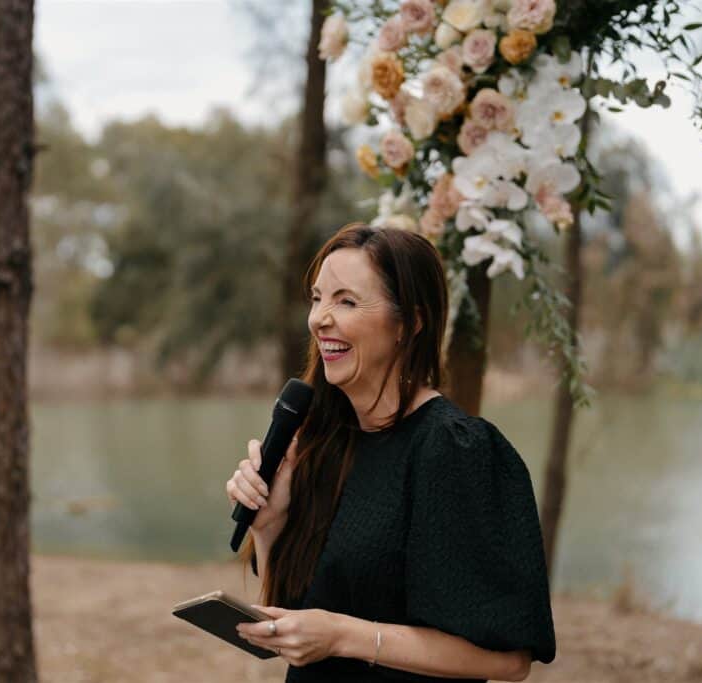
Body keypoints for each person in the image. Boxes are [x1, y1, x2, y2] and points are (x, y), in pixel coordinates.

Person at [224, 222, 556, 682]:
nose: (319, 318)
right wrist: (271, 525)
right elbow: (296, 624)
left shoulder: (453, 451)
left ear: (410, 323)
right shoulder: (323, 441)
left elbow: (508, 660)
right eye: (318, 298)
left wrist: (344, 634)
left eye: (346, 300)